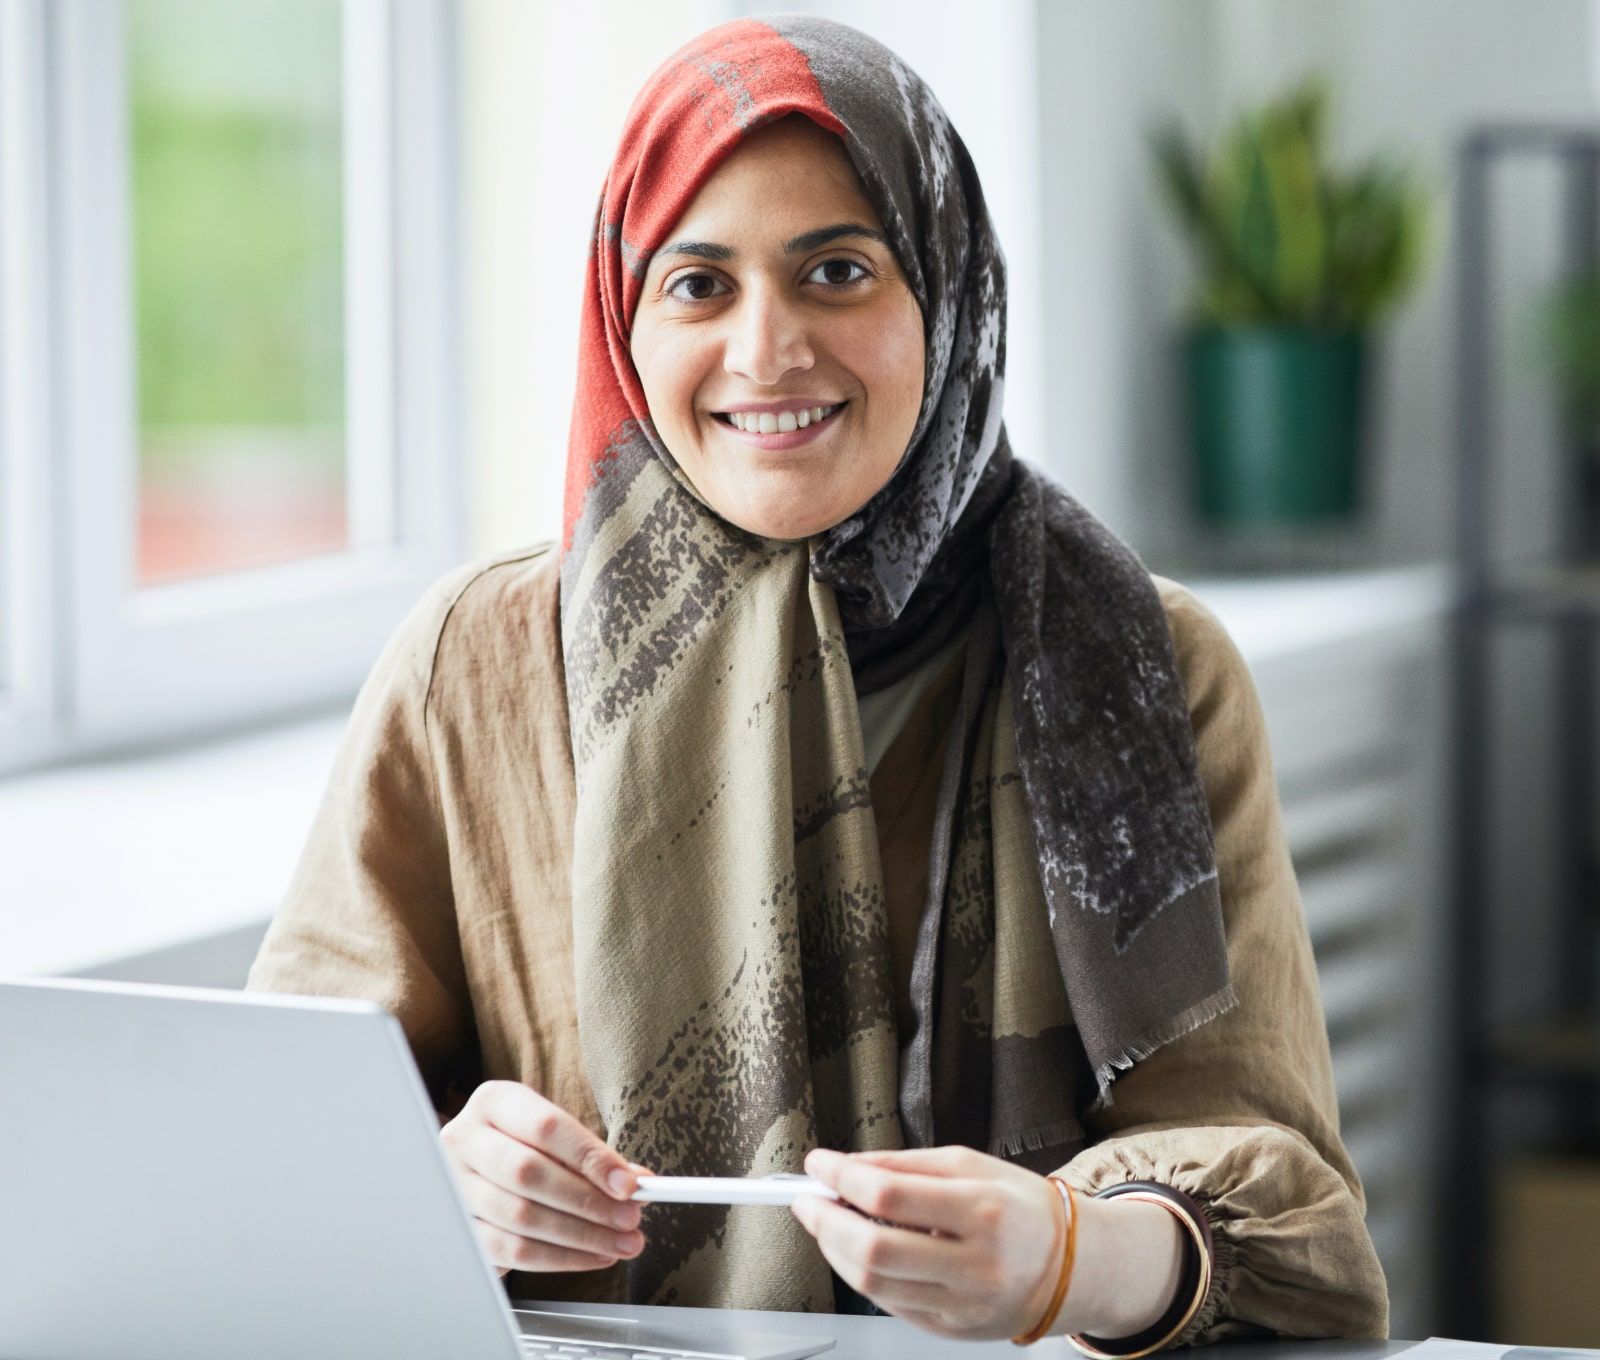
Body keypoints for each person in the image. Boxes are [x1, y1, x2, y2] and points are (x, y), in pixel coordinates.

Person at [248, 15, 1388, 1350]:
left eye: (837, 271)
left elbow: (1289, 1213)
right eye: (698, 284)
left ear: (950, 295)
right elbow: (281, 1149)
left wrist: (1074, 1258)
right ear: (624, 319)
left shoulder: (1144, 664)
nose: (766, 348)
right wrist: (443, 1181)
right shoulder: (479, 665)